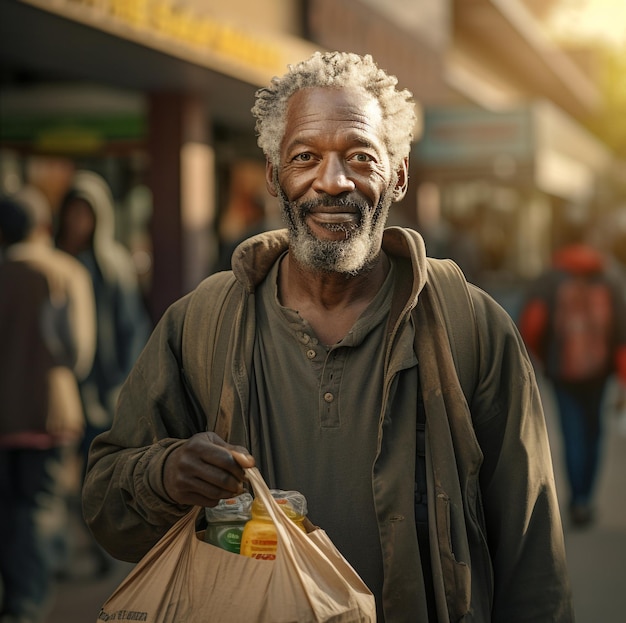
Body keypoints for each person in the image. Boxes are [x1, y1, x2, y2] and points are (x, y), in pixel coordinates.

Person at [83, 52, 573, 621]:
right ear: (273, 174)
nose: (333, 181)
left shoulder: (473, 328)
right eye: (306, 157)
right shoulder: (200, 322)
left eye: (360, 157)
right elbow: (104, 506)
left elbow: (532, 556)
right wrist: (164, 475)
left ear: (398, 172)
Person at [0, 190, 96, 623]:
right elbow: (78, 354)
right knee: (38, 508)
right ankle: (30, 604)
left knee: (8, 511)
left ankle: (15, 597)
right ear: (42, 226)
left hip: (4, 414)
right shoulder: (65, 271)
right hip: (51, 409)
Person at [55, 170, 152, 576]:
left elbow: (132, 328)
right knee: (58, 480)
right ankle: (57, 550)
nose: (80, 222)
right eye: (73, 213)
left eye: (87, 214)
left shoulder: (113, 265)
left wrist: (125, 385)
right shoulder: (56, 262)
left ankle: (102, 553)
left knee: (98, 476)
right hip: (63, 387)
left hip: (106, 388)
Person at [519, 219, 626, 528]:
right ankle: (586, 499)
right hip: (600, 370)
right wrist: (621, 377)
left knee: (572, 433)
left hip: (561, 369)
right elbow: (621, 331)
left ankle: (577, 498)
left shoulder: (550, 277)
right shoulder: (610, 275)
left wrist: (541, 358)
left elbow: (532, 324)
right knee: (595, 433)